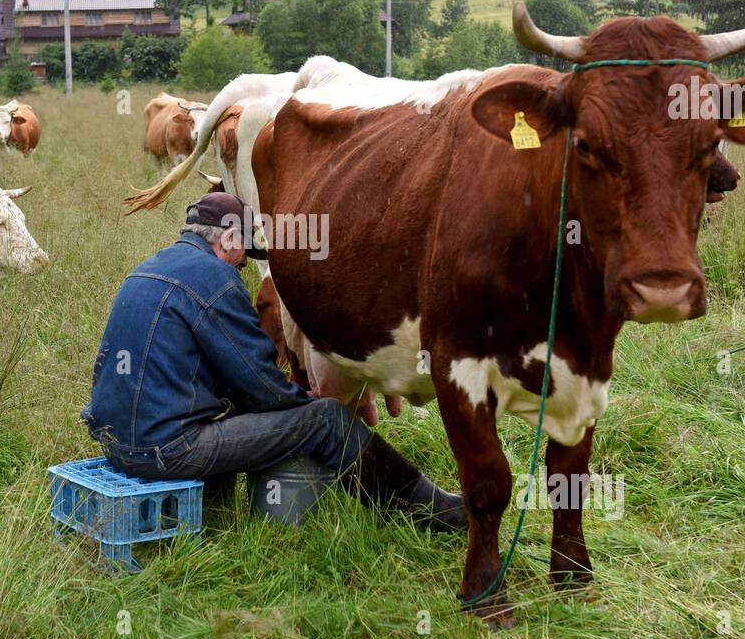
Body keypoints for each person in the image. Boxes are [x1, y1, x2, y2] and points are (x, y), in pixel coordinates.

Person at [81, 191, 465, 531]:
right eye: (244, 255)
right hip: (165, 450)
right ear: (229, 238)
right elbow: (259, 383)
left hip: (115, 443)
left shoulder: (146, 269)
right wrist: (307, 406)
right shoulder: (215, 278)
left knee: (244, 410)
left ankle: (213, 510)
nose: (242, 266)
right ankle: (425, 509)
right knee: (329, 420)